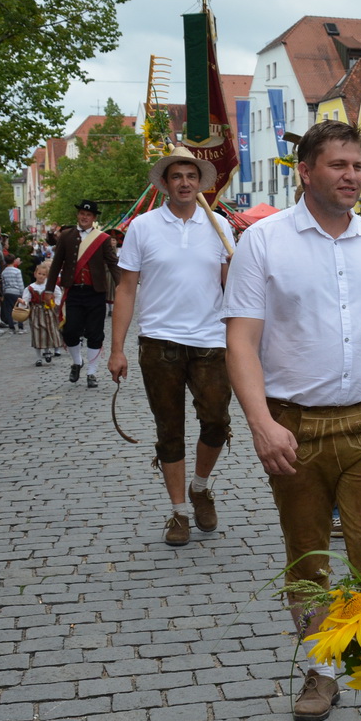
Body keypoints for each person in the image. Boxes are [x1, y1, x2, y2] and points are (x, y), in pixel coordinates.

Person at [224, 119, 361, 721]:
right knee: (307, 558)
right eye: (339, 165)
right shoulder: (264, 243)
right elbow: (240, 340)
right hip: (295, 429)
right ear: (305, 172)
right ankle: (322, 668)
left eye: (358, 166)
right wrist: (260, 423)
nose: (352, 176)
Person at [107, 150, 236, 547]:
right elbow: (127, 288)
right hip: (159, 341)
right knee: (169, 430)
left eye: (191, 176)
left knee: (216, 420)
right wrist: (117, 348)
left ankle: (200, 486)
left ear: (201, 183)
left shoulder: (219, 227)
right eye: (176, 176)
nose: (184, 182)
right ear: (164, 183)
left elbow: (234, 287)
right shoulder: (143, 227)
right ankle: (179, 512)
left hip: (211, 341)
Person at [46, 201, 119, 387]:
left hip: (95, 292)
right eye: (81, 213)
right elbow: (56, 264)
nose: (84, 217)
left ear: (94, 218)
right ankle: (77, 362)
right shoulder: (66, 236)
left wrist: (123, 286)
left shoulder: (101, 239)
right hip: (74, 292)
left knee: (95, 333)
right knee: (70, 331)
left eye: (88, 215)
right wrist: (49, 288)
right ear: (78, 215)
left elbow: (112, 263)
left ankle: (92, 373)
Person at [25, 264, 63, 365]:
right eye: (39, 273)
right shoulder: (30, 288)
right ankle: (38, 357)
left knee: (48, 331)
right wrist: (23, 303)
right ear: (35, 274)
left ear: (47, 276)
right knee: (37, 333)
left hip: (48, 312)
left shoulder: (51, 287)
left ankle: (47, 351)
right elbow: (26, 299)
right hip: (36, 312)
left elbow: (58, 295)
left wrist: (56, 303)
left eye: (44, 274)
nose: (41, 276)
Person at [0, 255, 24, 329]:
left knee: (9, 310)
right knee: (19, 309)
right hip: (16, 292)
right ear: (14, 261)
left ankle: (11, 325)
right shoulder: (17, 271)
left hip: (7, 292)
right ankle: (20, 325)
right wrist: (22, 293)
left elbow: (3, 283)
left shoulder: (4, 272)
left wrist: (3, 293)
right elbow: (20, 283)